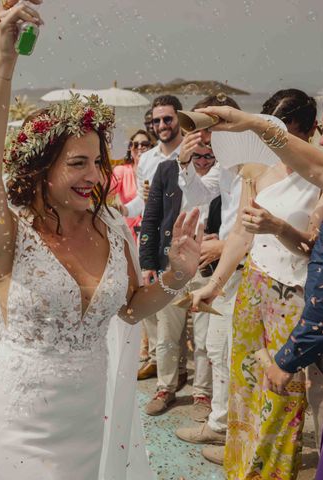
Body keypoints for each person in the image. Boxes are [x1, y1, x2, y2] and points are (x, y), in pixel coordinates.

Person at [0, 3, 204, 478]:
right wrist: (4, 61)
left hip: (91, 418)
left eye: (98, 162)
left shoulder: (112, 227)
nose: (95, 175)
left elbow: (131, 309)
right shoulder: (11, 235)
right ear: (40, 171)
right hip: (19, 420)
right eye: (78, 163)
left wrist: (178, 275)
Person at [192, 89, 323, 478]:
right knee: (245, 390)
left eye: (285, 134)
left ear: (310, 130)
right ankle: (241, 468)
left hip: (296, 296)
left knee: (282, 397)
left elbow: (316, 253)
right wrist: (214, 286)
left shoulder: (318, 175)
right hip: (253, 287)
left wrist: (278, 228)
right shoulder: (256, 167)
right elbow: (239, 235)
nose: (275, 144)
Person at [172, 94, 245, 465]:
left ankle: (239, 438)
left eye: (206, 126)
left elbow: (257, 222)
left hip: (243, 266)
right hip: (225, 268)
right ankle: (219, 424)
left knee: (236, 356)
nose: (202, 136)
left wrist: (225, 245)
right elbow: (199, 195)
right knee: (217, 349)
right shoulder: (226, 163)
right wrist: (185, 161)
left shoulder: (253, 157)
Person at [139, 122, 217, 417]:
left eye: (208, 156)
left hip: (209, 266)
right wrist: (147, 262)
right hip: (170, 263)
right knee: (167, 333)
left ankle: (202, 394)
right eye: (197, 155)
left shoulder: (228, 176)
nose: (203, 161)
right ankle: (166, 387)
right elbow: (151, 218)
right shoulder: (167, 170)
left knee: (205, 336)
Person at [133, 95, 185, 383]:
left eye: (168, 118)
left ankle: (178, 375)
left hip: (187, 244)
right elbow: (145, 208)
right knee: (155, 314)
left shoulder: (194, 153)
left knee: (177, 319)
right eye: (156, 120)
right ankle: (157, 363)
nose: (162, 125)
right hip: (154, 238)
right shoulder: (148, 160)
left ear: (179, 119)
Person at [110, 129, 152, 240]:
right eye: (135, 144)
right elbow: (106, 190)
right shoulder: (121, 171)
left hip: (152, 231)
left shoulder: (157, 171)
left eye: (145, 144)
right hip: (128, 234)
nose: (140, 147)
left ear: (152, 148)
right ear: (130, 148)